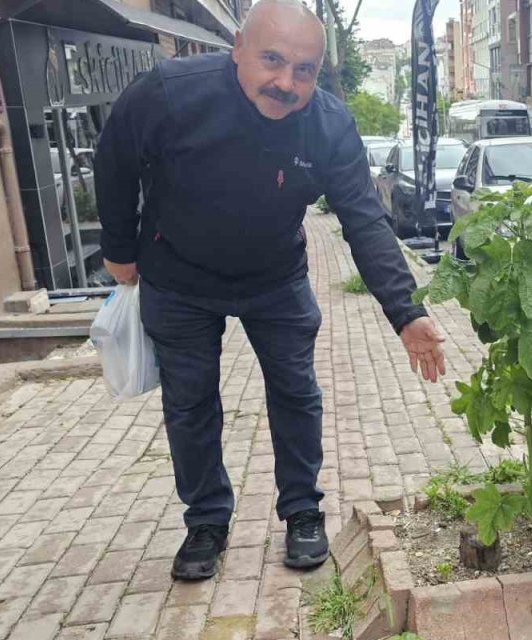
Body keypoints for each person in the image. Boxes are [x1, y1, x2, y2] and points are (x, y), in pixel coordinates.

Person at [95, 0, 445, 580]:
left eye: (304, 70)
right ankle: (206, 522)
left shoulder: (328, 125)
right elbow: (114, 159)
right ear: (237, 48)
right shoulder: (169, 93)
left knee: (296, 392)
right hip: (179, 275)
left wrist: (406, 311)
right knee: (190, 403)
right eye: (272, 60)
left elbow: (363, 218)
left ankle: (302, 511)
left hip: (275, 276)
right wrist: (119, 248)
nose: (286, 82)